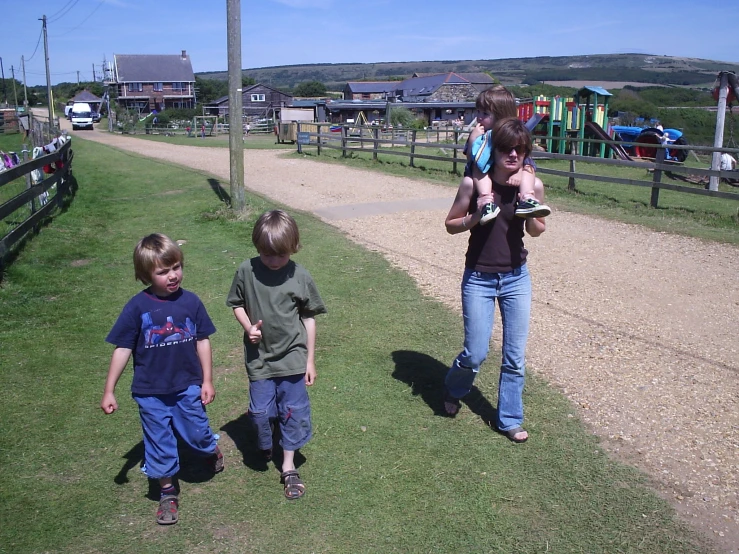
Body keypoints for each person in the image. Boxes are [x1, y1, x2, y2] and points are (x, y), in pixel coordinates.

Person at [100, 234, 223, 525]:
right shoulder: (136, 307)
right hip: (150, 391)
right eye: (163, 271)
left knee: (197, 433)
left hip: (187, 385)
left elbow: (202, 341)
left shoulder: (191, 302)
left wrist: (207, 380)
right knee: (158, 442)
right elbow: (123, 348)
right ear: (145, 275)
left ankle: (210, 449)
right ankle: (167, 491)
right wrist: (109, 390)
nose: (172, 276)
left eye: (176, 267)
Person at [443, 118, 547, 444]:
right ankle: (454, 387)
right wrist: (475, 217)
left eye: (520, 149)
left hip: (517, 278)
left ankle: (510, 420)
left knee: (514, 356)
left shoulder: (532, 185)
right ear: (494, 150)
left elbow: (537, 230)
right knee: (475, 353)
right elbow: (450, 224)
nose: (513, 154)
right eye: (506, 148)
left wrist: (532, 217)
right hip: (479, 278)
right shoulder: (474, 185)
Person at [226, 210, 327, 500]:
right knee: (260, 412)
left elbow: (309, 318)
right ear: (257, 247)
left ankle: (288, 465)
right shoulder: (246, 270)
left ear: (293, 248)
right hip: (260, 358)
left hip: (293, 357)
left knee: (292, 412)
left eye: (280, 255)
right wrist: (248, 327)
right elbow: (236, 304)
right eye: (266, 254)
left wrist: (309, 360)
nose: (272, 261)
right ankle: (266, 438)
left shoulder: (300, 275)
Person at [467, 86, 551, 223]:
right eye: (478, 111)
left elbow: (523, 158)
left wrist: (518, 172)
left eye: (485, 114)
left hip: (510, 170)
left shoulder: (512, 133)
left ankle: (527, 198)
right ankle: (486, 201)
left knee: (528, 166)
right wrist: (473, 140)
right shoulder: (480, 136)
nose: (479, 117)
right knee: (477, 166)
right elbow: (471, 159)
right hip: (485, 173)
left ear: (501, 115)